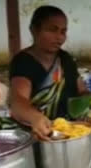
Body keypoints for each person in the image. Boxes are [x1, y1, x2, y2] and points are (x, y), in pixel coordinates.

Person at [9, 6, 86, 140]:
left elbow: (82, 91)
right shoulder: (23, 62)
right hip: (39, 133)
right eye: (52, 30)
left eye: (63, 31)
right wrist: (35, 117)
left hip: (70, 130)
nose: (59, 37)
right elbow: (18, 100)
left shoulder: (66, 59)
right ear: (34, 30)